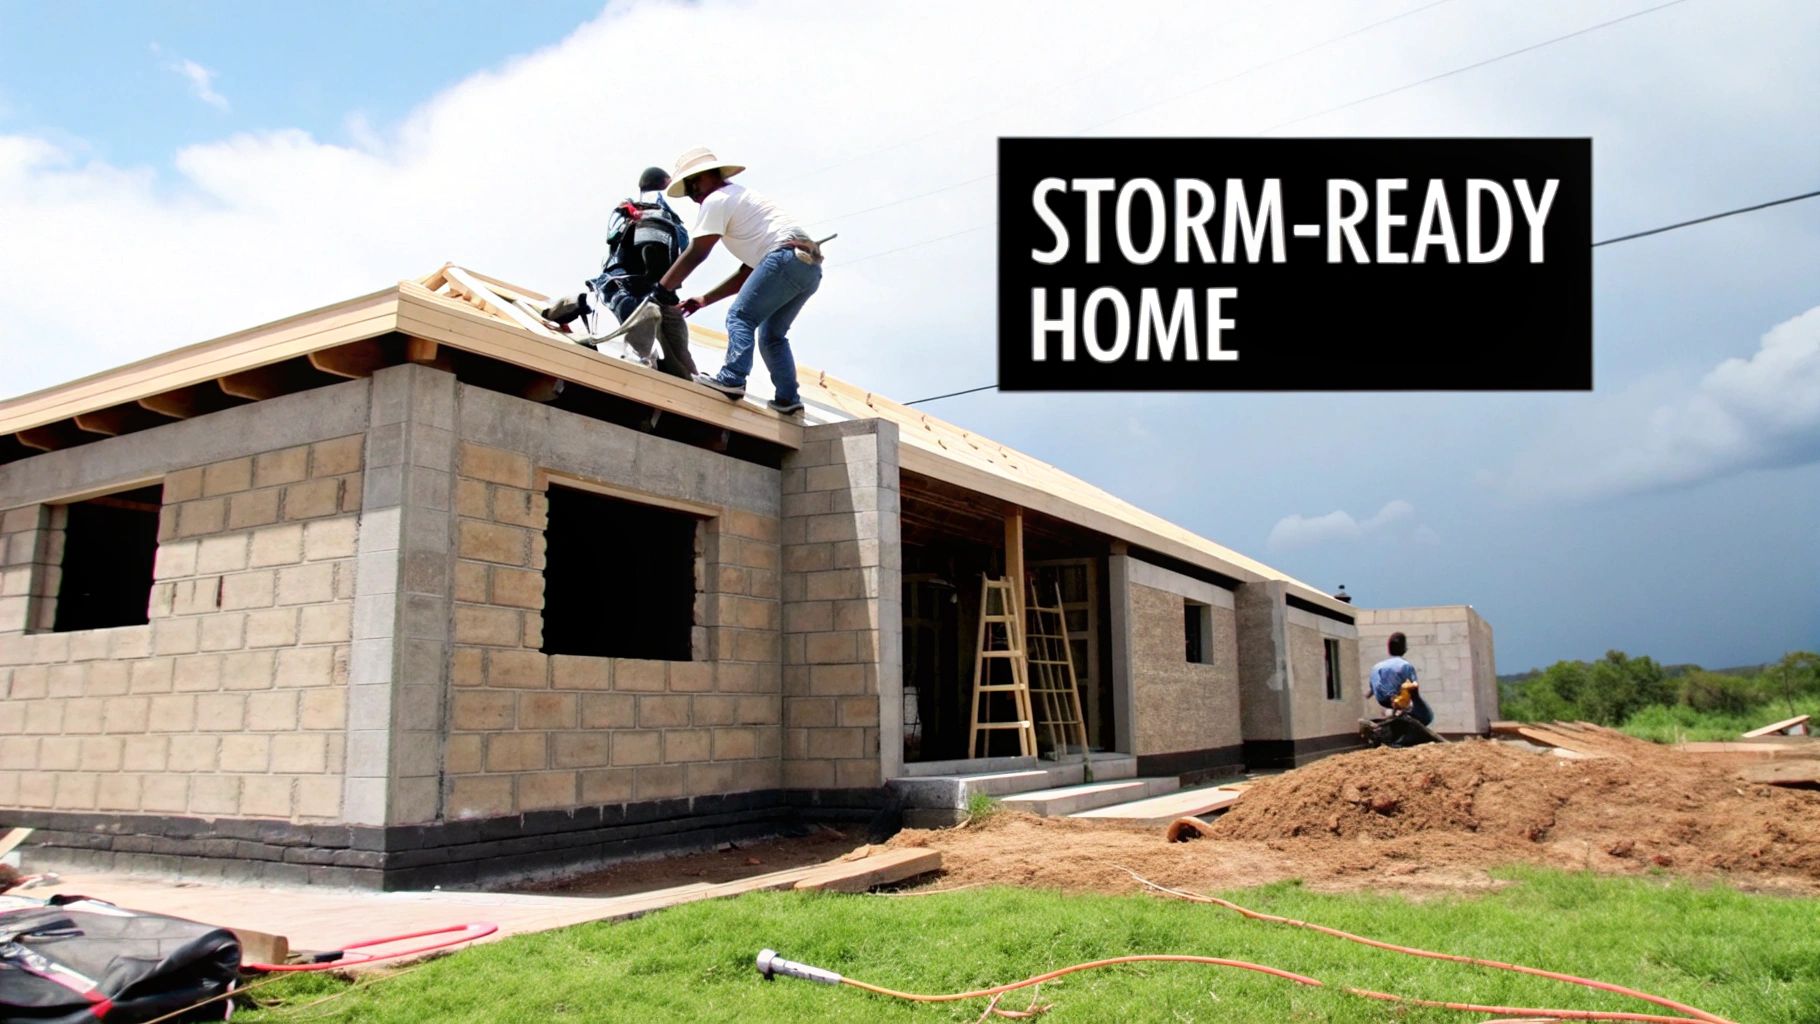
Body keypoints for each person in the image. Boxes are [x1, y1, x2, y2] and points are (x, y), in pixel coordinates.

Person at [651, 147, 822, 416]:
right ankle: (788, 400)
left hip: (783, 258)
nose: (694, 192)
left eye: (695, 182)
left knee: (740, 317)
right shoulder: (742, 199)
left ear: (712, 175)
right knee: (772, 335)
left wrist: (662, 289)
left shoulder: (717, 199)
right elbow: (750, 273)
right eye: (688, 188)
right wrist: (705, 299)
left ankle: (732, 379)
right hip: (808, 267)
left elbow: (697, 252)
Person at [543, 167, 697, 379]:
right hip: (626, 284)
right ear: (664, 185)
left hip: (658, 291)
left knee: (683, 368)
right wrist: (660, 288)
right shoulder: (649, 212)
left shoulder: (669, 219)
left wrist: (664, 292)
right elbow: (653, 251)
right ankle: (571, 305)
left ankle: (684, 377)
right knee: (641, 341)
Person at [1368, 632, 1434, 743]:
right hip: (1400, 702)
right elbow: (1413, 687)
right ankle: (1403, 741)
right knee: (1427, 716)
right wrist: (1415, 703)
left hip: (1384, 702)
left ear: (1389, 649)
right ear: (1404, 648)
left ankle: (1396, 732)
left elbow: (1372, 689)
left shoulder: (1376, 667)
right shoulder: (1405, 666)